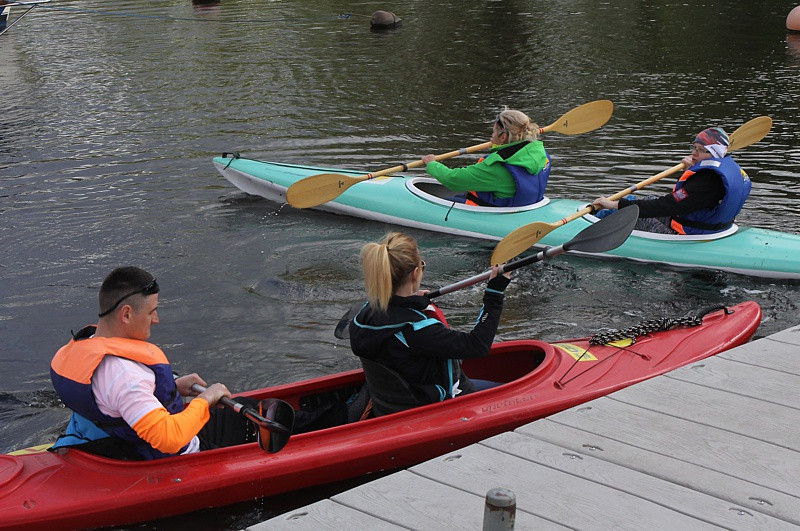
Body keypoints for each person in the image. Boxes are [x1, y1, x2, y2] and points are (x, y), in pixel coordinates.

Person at [49, 267, 257, 460]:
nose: (156, 319)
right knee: (255, 428)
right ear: (127, 314)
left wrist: (175, 387)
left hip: (111, 441)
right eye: (151, 312)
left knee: (249, 408)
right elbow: (170, 439)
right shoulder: (125, 375)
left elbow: (114, 401)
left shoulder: (87, 344)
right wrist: (206, 398)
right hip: (177, 457)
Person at [348, 232, 511, 416]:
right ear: (415, 273)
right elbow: (478, 346)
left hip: (394, 404)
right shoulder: (415, 331)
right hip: (433, 408)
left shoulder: (363, 315)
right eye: (422, 265)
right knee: (512, 395)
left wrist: (411, 303)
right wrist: (494, 294)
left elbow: (394, 314)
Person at [592, 127, 751, 235]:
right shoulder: (726, 168)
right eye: (694, 147)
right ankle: (599, 214)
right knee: (645, 200)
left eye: (700, 150)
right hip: (713, 226)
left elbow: (668, 205)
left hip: (685, 233)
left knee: (627, 212)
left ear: (714, 153)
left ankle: (591, 225)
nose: (693, 153)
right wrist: (693, 168)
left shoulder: (705, 184)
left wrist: (616, 204)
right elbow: (692, 200)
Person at [421, 108, 551, 207]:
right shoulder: (539, 153)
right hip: (525, 205)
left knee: (429, 206)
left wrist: (432, 164)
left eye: (493, 132)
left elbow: (452, 179)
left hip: (492, 210)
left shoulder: (497, 168)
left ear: (503, 137)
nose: (491, 136)